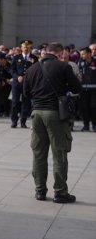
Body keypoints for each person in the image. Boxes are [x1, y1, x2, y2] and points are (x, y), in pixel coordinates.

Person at [23, 43, 81, 203]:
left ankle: (40, 190)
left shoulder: (32, 69)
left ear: (46, 52)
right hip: (56, 113)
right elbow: (77, 88)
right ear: (60, 53)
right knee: (59, 153)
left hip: (37, 113)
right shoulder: (63, 67)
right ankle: (60, 192)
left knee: (39, 154)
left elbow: (26, 93)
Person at [10, 40, 35, 128]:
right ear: (21, 48)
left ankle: (23, 121)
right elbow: (12, 70)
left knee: (26, 103)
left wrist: (27, 78)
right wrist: (17, 77)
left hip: (27, 84)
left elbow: (35, 71)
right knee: (15, 102)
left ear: (30, 48)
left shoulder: (34, 58)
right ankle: (14, 121)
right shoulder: (16, 57)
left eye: (28, 47)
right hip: (17, 83)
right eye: (24, 47)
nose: (26, 49)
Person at [77, 47, 96, 131]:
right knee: (84, 107)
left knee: (93, 107)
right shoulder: (79, 62)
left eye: (83, 54)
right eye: (81, 54)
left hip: (94, 89)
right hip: (83, 89)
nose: (82, 56)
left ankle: (94, 125)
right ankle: (86, 125)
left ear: (89, 53)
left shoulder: (94, 62)